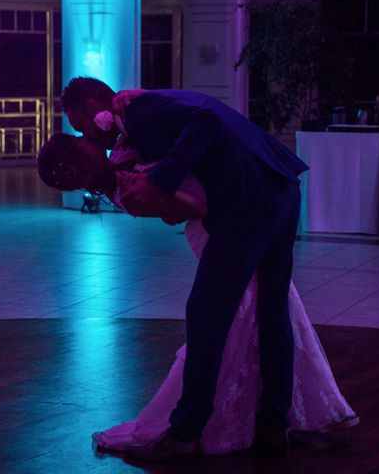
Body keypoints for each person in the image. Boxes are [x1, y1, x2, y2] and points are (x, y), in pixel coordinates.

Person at [38, 133, 358, 458]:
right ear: (80, 156)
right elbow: (190, 208)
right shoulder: (126, 189)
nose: (87, 136)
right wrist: (163, 177)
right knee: (238, 319)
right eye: (79, 140)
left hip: (235, 227)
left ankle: (270, 418)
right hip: (217, 231)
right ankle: (254, 419)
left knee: (265, 315)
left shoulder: (124, 157)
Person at [59, 77, 310, 461]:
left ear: (95, 109)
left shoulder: (140, 111)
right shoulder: (141, 114)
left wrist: (160, 180)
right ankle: (274, 425)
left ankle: (186, 432)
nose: (89, 137)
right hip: (279, 186)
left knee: (207, 313)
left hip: (249, 199)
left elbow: (205, 123)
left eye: (82, 126)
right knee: (271, 311)